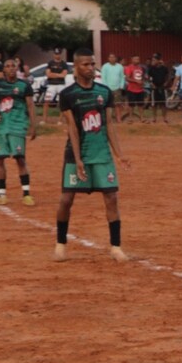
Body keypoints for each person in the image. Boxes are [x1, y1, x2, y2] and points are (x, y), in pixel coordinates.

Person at [55, 50, 131, 262]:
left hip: (102, 155)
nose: (91, 68)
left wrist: (119, 154)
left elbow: (108, 125)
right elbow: (72, 129)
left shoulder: (104, 92)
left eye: (93, 64)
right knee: (66, 199)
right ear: (76, 68)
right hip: (76, 154)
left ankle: (116, 247)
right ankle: (60, 243)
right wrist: (78, 159)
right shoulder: (68, 95)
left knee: (111, 198)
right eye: (86, 64)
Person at [0, 58, 37, 207]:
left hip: (18, 127)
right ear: (4, 70)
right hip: (1, 128)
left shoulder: (24, 86)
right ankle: (0, 194)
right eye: (7, 66)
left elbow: (31, 106)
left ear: (17, 68)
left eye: (13, 66)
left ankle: (26, 194)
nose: (11, 68)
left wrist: (33, 126)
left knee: (20, 159)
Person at [122, 55, 147, 123]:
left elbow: (142, 77)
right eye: (135, 59)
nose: (137, 60)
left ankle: (142, 118)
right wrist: (136, 81)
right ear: (132, 60)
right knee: (131, 105)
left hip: (140, 89)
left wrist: (143, 82)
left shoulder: (140, 68)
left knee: (141, 104)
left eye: (138, 59)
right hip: (132, 89)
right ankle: (130, 118)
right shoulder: (129, 67)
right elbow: (127, 78)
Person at [148, 53, 171, 124]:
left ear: (158, 61)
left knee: (164, 104)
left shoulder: (164, 68)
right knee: (154, 104)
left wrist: (166, 83)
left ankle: (165, 118)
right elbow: (149, 77)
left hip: (163, 88)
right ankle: (154, 118)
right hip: (154, 88)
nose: (153, 61)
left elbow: (168, 76)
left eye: (154, 60)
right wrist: (151, 84)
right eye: (152, 60)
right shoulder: (151, 68)